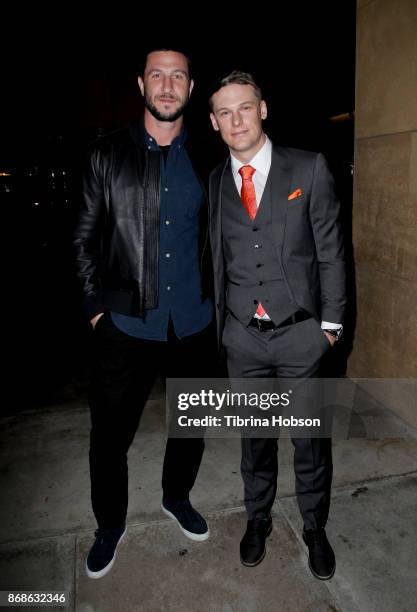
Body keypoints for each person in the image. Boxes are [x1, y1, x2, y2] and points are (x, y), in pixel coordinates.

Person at [73, 48, 216, 579]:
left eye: (177, 75)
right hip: (126, 324)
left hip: (196, 322)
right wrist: (94, 310)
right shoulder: (105, 155)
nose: (167, 84)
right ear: (141, 84)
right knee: (109, 438)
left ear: (190, 87)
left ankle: (175, 497)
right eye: (157, 74)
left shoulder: (207, 156)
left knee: (191, 425)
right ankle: (109, 525)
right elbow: (84, 240)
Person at [208, 71, 346, 580]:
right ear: (214, 122)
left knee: (309, 441)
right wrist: (225, 328)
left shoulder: (308, 168)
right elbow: (218, 258)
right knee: (255, 439)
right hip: (242, 337)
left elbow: (331, 251)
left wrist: (329, 327)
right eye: (225, 112)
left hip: (300, 334)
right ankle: (257, 518)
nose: (236, 119)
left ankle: (314, 527)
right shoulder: (217, 179)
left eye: (245, 107)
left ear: (262, 109)